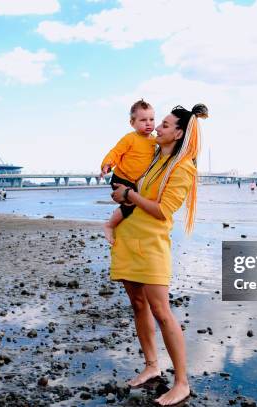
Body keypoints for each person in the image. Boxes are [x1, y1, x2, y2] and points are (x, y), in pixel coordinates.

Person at [110, 103, 208, 406]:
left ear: (178, 133)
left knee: (162, 312)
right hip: (128, 239)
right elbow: (128, 165)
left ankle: (182, 383)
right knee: (138, 305)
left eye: (165, 124)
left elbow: (163, 210)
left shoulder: (183, 168)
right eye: (160, 123)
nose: (158, 128)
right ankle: (152, 366)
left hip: (152, 245)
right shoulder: (152, 159)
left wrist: (129, 195)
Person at [101, 99, 157, 245]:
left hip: (135, 182)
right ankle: (109, 225)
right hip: (121, 178)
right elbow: (116, 152)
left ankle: (128, 228)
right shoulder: (130, 138)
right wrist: (107, 164)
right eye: (143, 120)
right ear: (132, 123)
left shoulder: (154, 141)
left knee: (141, 202)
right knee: (131, 203)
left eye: (151, 119)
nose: (148, 123)